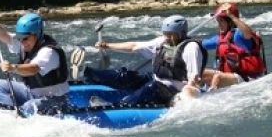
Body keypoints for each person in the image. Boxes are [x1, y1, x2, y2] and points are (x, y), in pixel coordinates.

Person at [76, 16, 207, 106]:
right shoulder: (162, 42)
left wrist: (186, 99)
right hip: (157, 80)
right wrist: (108, 45)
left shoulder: (191, 48)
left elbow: (193, 80)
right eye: (165, 33)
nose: (166, 37)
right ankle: (86, 72)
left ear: (180, 34)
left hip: (174, 90)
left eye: (170, 34)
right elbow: (134, 46)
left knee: (151, 88)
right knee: (126, 75)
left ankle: (118, 106)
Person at [0, 10, 69, 114]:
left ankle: (18, 116)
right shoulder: (25, 43)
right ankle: (10, 113)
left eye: (25, 38)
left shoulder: (49, 52)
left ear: (37, 35)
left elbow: (34, 68)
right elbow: (5, 36)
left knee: (29, 107)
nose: (22, 42)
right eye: (19, 38)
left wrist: (13, 67)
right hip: (31, 93)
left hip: (55, 100)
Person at [201, 3, 266, 90]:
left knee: (217, 77)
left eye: (222, 21)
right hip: (228, 77)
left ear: (230, 22)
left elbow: (248, 34)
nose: (219, 24)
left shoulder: (239, 35)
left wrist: (232, 16)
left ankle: (211, 98)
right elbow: (200, 44)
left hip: (247, 79)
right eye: (218, 21)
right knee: (199, 73)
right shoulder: (219, 38)